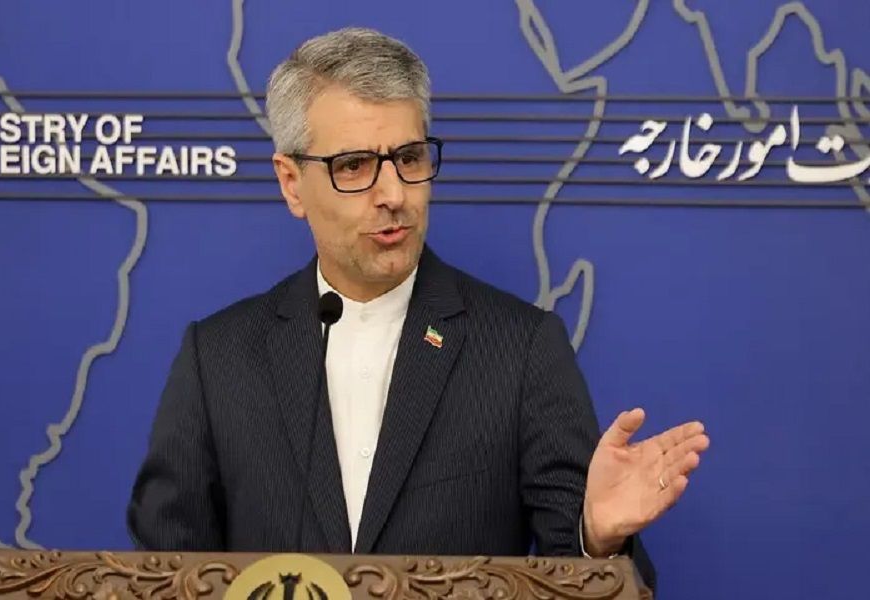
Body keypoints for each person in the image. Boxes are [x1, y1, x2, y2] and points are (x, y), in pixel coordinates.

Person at [126, 27, 709, 591]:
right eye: (353, 165)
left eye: (409, 157)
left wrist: (596, 540)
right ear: (291, 183)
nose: (394, 194)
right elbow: (163, 576)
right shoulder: (218, 358)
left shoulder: (521, 349)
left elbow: (578, 579)